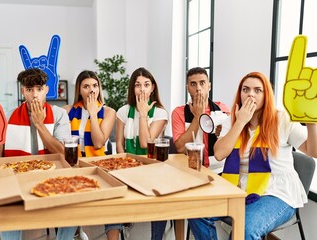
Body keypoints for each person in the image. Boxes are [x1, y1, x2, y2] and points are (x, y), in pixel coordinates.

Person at [188, 72, 317, 239]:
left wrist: (311, 121)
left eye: (257, 90)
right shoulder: (234, 119)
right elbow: (219, 154)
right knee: (195, 210)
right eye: (245, 89)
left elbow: (313, 151)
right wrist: (240, 122)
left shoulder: (282, 119)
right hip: (240, 189)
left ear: (266, 96)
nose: (250, 94)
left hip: (277, 192)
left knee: (244, 228)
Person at [0, 68, 85, 240]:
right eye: (29, 89)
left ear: (46, 89)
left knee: (72, 206)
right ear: (22, 91)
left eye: (39, 89)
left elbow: (64, 153)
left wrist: (39, 124)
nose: (34, 95)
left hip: (53, 177)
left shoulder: (59, 114)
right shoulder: (8, 116)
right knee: (7, 205)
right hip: (18, 177)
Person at [151, 67, 230, 240]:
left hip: (221, 174)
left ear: (209, 85)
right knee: (184, 203)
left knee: (198, 211)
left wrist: (222, 132)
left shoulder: (223, 109)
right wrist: (198, 116)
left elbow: (234, 140)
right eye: (193, 84)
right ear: (187, 87)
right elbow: (179, 147)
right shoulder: (179, 112)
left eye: (202, 83)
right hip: (191, 174)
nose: (198, 88)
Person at [63, 70, 122, 240]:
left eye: (95, 86)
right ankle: (74, 233)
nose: (91, 90)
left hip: (99, 168)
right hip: (73, 169)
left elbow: (98, 143)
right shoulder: (67, 110)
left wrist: (93, 114)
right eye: (86, 86)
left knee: (112, 200)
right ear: (79, 90)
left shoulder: (109, 112)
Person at [116, 67, 168, 154]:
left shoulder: (160, 113)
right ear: (132, 88)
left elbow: (145, 143)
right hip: (128, 163)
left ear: (152, 88)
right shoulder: (123, 111)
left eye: (146, 85)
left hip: (152, 162)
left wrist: (143, 114)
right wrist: (125, 164)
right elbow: (119, 145)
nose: (142, 89)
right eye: (137, 85)